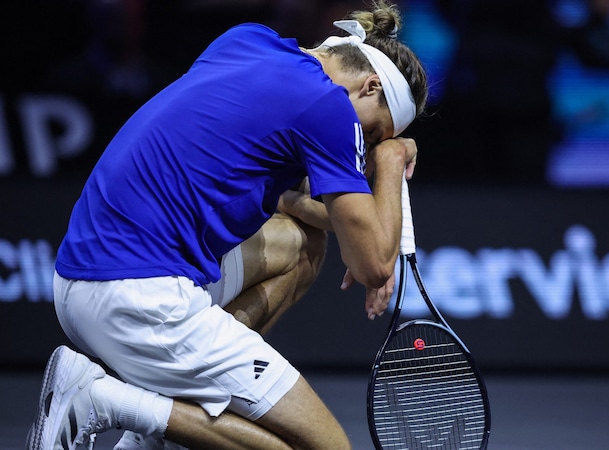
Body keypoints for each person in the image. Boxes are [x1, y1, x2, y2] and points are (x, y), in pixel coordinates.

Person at [26, 0, 428, 448]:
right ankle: (105, 400)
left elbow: (301, 206)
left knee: (301, 247)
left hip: (79, 276)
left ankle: (166, 414)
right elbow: (373, 265)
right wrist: (391, 160)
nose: (368, 146)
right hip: (136, 298)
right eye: (372, 134)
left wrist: (356, 226)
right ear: (370, 86)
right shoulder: (329, 107)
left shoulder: (249, 41)